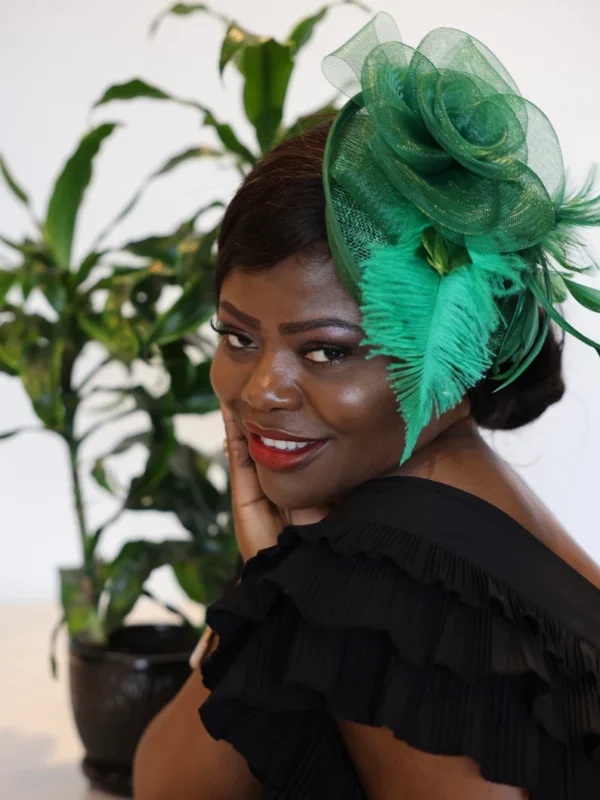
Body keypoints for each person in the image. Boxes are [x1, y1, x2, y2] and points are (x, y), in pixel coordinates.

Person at [133, 13, 600, 800]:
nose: (260, 391)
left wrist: (295, 584)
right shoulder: (473, 514)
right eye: (238, 336)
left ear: (458, 351)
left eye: (327, 350)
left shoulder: (377, 581)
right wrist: (269, 583)